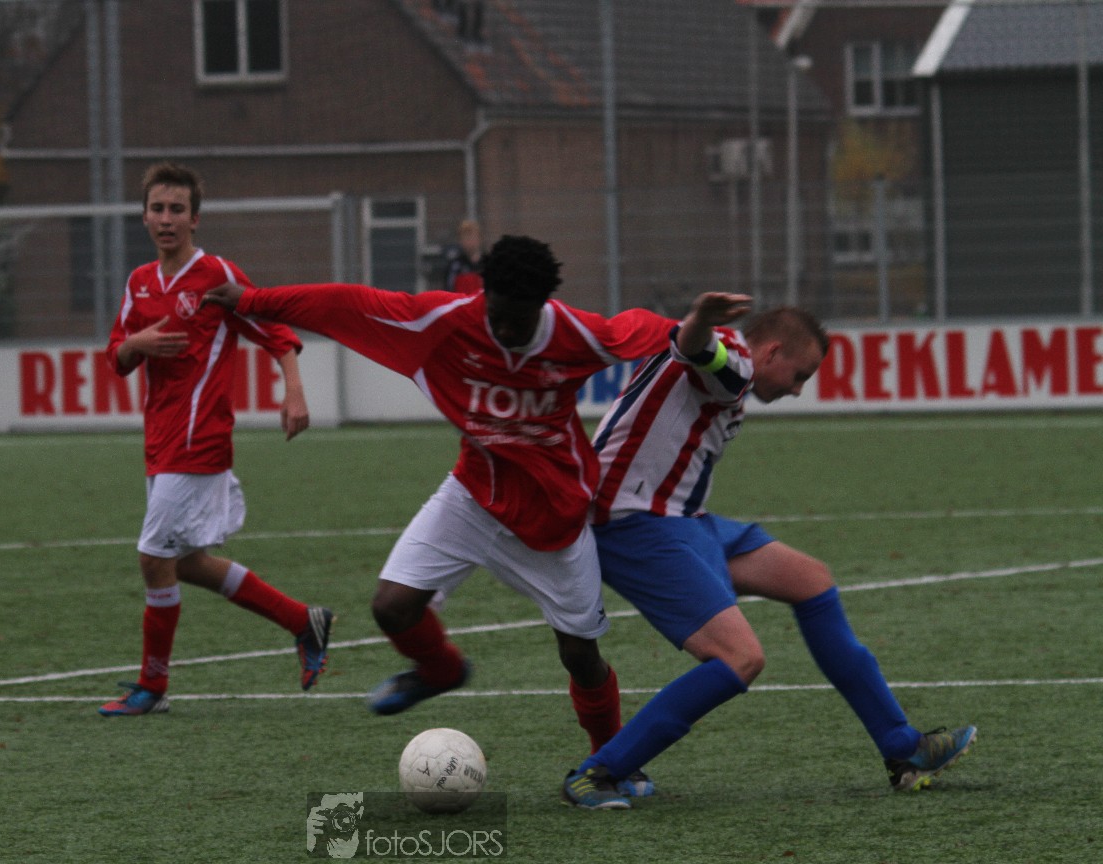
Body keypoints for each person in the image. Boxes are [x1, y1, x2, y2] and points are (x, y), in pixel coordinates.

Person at [202, 235, 673, 770]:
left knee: (580, 655)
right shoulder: (444, 321)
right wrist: (253, 300)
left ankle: (610, 767)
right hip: (473, 496)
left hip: (553, 518)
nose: (507, 332)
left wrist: (713, 338)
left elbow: (654, 331)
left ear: (542, 306)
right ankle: (442, 670)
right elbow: (345, 304)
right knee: (392, 606)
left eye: (520, 321)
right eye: (498, 316)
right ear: (484, 295)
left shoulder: (576, 334)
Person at [561, 292, 977, 808]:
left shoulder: (731, 370)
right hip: (632, 523)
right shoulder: (734, 358)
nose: (798, 390)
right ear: (772, 351)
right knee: (741, 658)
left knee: (810, 580)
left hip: (685, 519)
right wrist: (700, 320)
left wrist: (698, 328)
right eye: (799, 375)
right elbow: (696, 348)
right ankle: (598, 773)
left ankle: (902, 747)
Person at [97, 161, 333, 716]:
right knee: (184, 562)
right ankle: (304, 621)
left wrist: (294, 391)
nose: (166, 219)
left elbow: (274, 329)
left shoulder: (216, 275)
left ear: (195, 219)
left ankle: (152, 686)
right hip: (160, 443)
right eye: (157, 208)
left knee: (153, 558)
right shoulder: (139, 282)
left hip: (199, 440)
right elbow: (117, 357)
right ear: (144, 216)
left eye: (177, 209)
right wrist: (138, 343)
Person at [442, 219, 485, 294]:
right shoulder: (455, 266)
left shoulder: (488, 263)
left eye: (472, 237)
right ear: (460, 241)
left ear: (479, 239)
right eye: (466, 238)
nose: (470, 242)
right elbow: (448, 289)